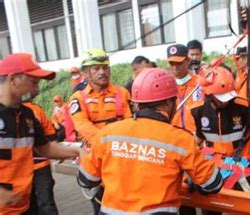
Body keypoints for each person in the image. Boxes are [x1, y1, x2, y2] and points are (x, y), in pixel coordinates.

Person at [77, 68, 223, 215]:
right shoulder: (180, 139)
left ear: (136, 103)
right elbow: (212, 184)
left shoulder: (108, 134)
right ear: (169, 102)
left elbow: (86, 180)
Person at [0, 53, 82, 214]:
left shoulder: (27, 115)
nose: (36, 90)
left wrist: (78, 151)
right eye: (33, 82)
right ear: (13, 79)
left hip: (23, 204)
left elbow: (45, 148)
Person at [68, 48, 132, 214]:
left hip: (122, 158)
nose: (102, 72)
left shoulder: (123, 93)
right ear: (86, 73)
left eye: (105, 67)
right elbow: (82, 125)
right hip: (96, 160)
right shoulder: (78, 98)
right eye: (96, 68)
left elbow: (131, 123)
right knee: (100, 205)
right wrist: (109, 144)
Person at [191, 66, 250, 159]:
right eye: (220, 99)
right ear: (209, 95)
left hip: (242, 159)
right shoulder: (198, 110)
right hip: (215, 160)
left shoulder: (244, 107)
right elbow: (200, 135)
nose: (225, 102)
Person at [23, 91, 59, 215]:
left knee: (46, 202)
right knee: (29, 204)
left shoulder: (35, 110)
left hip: (40, 165)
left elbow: (50, 133)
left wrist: (61, 153)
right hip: (19, 170)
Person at [167, 44, 203, 133]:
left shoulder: (199, 84)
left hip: (195, 138)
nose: (175, 67)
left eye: (179, 63)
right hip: (173, 137)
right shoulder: (166, 86)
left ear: (188, 61)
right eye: (172, 63)